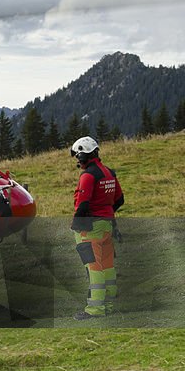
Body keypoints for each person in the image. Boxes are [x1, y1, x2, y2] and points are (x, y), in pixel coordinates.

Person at [69, 136, 124, 320]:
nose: (77, 160)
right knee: (108, 266)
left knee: (94, 267)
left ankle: (95, 309)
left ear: (82, 155)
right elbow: (119, 200)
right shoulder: (109, 173)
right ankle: (109, 304)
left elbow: (83, 205)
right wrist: (106, 213)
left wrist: (75, 225)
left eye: (78, 156)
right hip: (107, 225)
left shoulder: (88, 176)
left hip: (90, 227)